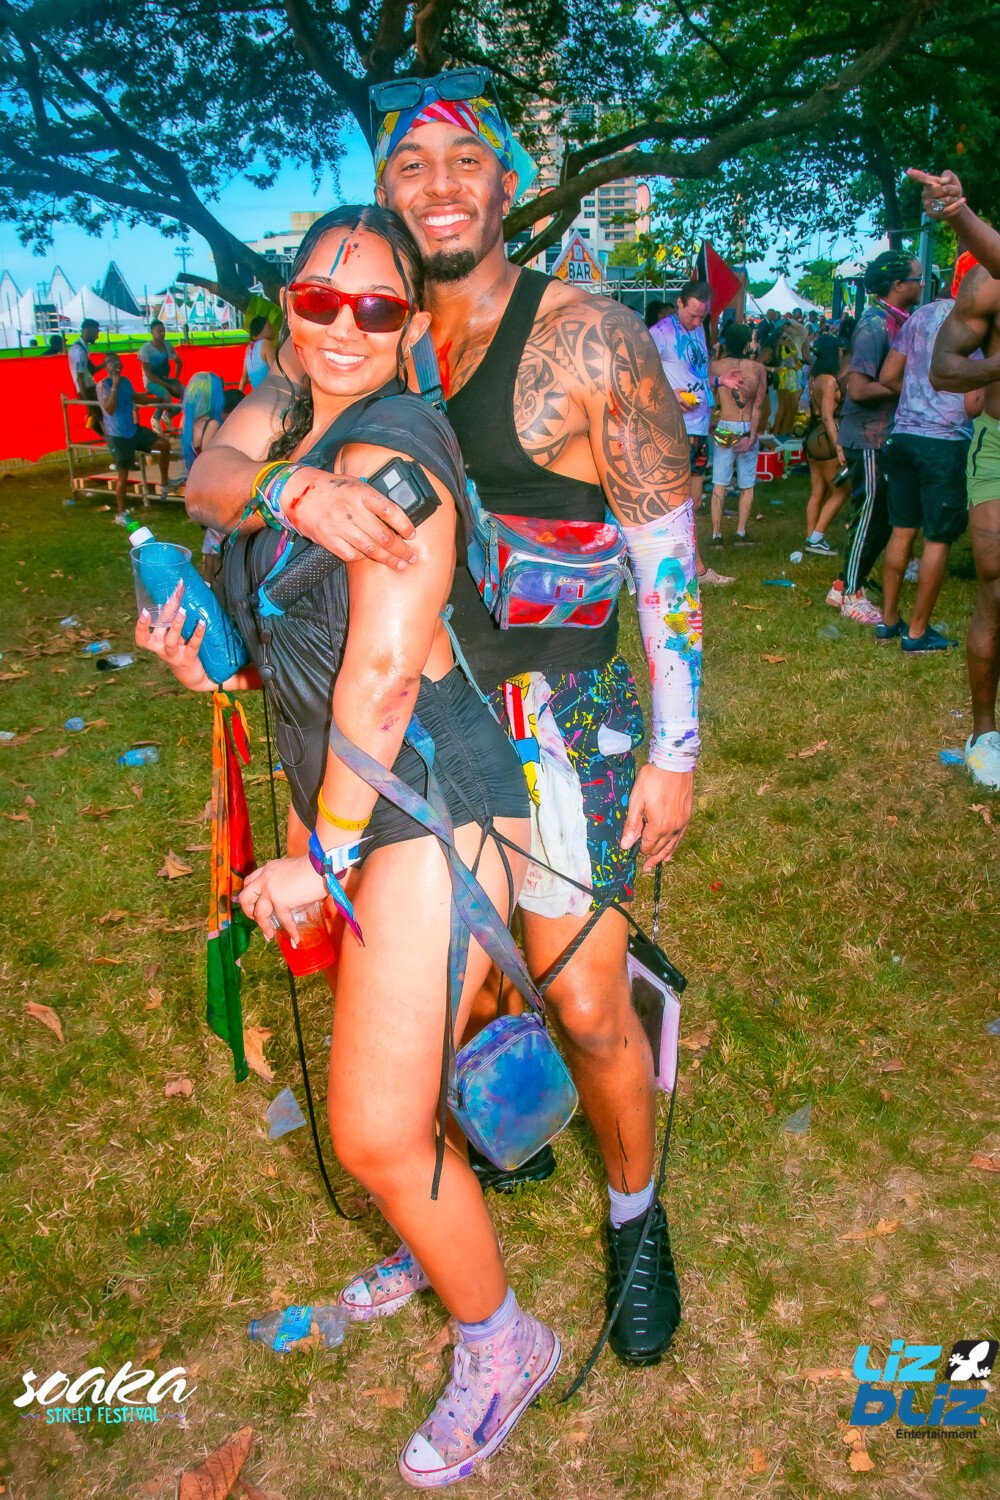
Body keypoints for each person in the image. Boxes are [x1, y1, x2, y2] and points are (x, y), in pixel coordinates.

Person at [188, 71, 702, 1375]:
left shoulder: (585, 338)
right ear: (383, 188)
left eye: (465, 160)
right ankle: (455, 1204)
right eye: (408, 165)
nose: (438, 186)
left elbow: (666, 554)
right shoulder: (355, 335)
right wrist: (291, 489)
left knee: (583, 1000)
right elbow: (222, 470)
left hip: (554, 714)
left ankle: (637, 1219)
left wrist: (675, 748)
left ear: (509, 181)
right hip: (417, 733)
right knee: (449, 1001)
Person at [139, 205, 560, 1487]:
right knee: (401, 1076)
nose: (341, 325)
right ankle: (433, 1239)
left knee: (374, 1127)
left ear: (408, 325)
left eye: (374, 308)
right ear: (288, 308)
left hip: (423, 796)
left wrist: (315, 863)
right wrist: (221, 633)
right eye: (318, 299)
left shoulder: (399, 446)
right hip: (355, 795)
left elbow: (378, 681)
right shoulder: (286, 415)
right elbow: (209, 483)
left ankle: (503, 1343)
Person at [921, 172, 1000, 788]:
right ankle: (984, 733)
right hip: (998, 446)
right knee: (996, 588)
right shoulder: (984, 284)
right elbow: (944, 370)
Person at [875, 289, 976, 650]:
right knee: (938, 536)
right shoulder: (976, 323)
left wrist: (917, 398)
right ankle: (917, 633)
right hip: (945, 441)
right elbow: (974, 402)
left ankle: (888, 620)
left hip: (904, 435)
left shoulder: (920, 316)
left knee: (902, 529)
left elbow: (888, 375)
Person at [831, 250, 925, 625]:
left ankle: (848, 582)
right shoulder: (874, 325)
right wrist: (909, 387)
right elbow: (857, 389)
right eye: (917, 278)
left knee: (883, 515)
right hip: (867, 436)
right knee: (869, 514)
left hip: (884, 435)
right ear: (898, 285)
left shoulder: (898, 321)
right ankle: (849, 594)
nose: (922, 284)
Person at [651, 279, 742, 511]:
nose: (697, 322)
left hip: (699, 427)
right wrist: (669, 394)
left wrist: (720, 381)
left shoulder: (698, 329)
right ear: (679, 303)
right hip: (676, 430)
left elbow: (697, 377)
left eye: (703, 316)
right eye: (693, 315)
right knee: (674, 505)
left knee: (695, 502)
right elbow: (639, 374)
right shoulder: (660, 333)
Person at [180, 373, 244, 579]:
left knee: (214, 548)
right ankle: (210, 588)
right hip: (215, 493)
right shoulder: (212, 424)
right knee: (216, 550)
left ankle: (212, 584)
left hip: (198, 489)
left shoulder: (189, 424)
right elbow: (212, 465)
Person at [708, 323, 766, 547]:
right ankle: (741, 531)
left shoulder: (717, 366)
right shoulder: (758, 368)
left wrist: (711, 424)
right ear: (746, 343)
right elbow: (758, 406)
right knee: (747, 484)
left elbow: (709, 396)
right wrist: (751, 436)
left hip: (725, 424)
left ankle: (716, 534)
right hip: (746, 425)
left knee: (719, 482)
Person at [96, 352, 173, 518]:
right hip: (117, 436)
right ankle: (121, 513)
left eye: (117, 362)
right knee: (123, 475)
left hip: (132, 430)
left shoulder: (126, 381)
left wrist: (156, 400)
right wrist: (114, 385)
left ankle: (165, 483)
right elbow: (109, 408)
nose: (115, 365)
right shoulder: (103, 385)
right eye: (111, 363)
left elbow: (135, 398)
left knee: (164, 445)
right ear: (106, 367)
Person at [803, 334, 849, 555]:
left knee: (818, 491)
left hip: (812, 434)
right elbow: (828, 417)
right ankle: (817, 536)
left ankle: (810, 537)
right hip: (824, 438)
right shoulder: (829, 381)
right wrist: (839, 448)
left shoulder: (814, 377)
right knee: (841, 491)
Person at [138, 319, 184, 433]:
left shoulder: (167, 345)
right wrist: (169, 386)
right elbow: (149, 376)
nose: (162, 333)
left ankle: (168, 415)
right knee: (166, 395)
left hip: (165, 379)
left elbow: (179, 362)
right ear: (152, 332)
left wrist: (175, 379)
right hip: (151, 382)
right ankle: (155, 419)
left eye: (163, 331)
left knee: (187, 395)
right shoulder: (145, 350)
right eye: (159, 331)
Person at [67, 319, 105, 435]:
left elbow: (91, 371)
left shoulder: (82, 349)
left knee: (101, 416)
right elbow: (79, 379)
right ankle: (109, 440)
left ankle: (107, 438)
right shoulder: (79, 351)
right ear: (88, 330)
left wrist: (105, 364)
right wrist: (88, 403)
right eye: (96, 332)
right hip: (88, 390)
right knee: (101, 417)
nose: (97, 336)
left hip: (90, 388)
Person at [772, 321, 803, 437]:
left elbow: (795, 359)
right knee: (784, 406)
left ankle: (785, 431)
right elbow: (789, 362)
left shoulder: (789, 344)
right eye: (785, 336)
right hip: (784, 378)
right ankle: (777, 432)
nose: (788, 337)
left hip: (792, 377)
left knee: (792, 406)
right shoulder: (779, 348)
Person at [240, 314, 276, 390]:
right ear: (260, 330)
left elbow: (244, 378)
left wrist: (238, 395)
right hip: (270, 394)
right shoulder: (266, 344)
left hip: (257, 395)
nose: (273, 329)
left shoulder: (249, 348)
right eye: (269, 327)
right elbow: (276, 372)